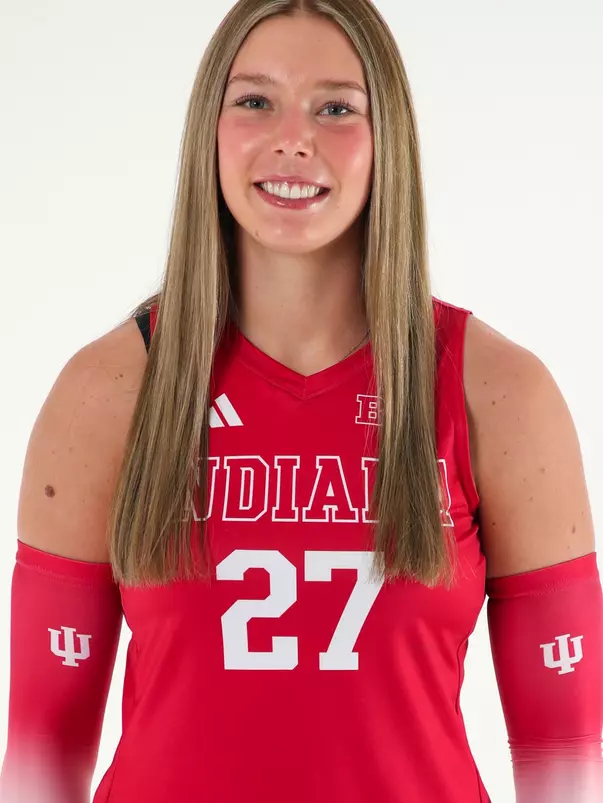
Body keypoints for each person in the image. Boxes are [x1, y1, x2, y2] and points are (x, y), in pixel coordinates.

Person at [1, 1, 601, 801]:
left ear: (387, 137)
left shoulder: (497, 392)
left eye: (335, 107)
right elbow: (43, 748)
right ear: (207, 130)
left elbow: (566, 754)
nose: (293, 137)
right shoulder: (107, 392)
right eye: (254, 100)